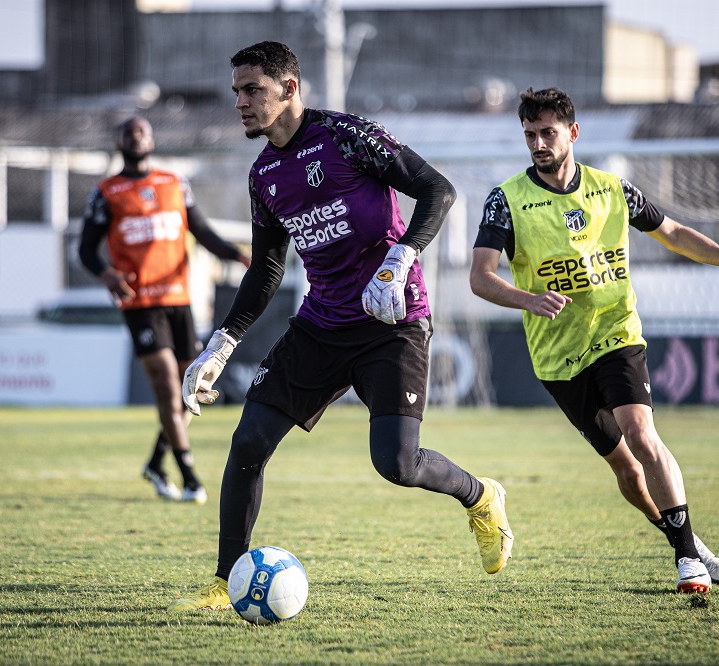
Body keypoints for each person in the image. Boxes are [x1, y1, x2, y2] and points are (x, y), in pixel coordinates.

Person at [171, 41, 513, 611]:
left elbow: (439, 190)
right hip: (321, 326)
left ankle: (482, 498)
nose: (242, 102)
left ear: (290, 88)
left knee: (396, 464)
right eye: (236, 92)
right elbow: (266, 268)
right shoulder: (265, 175)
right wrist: (220, 345)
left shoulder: (346, 136)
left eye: (253, 89)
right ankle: (226, 576)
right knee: (248, 441)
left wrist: (400, 259)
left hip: (392, 323)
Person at [469, 87, 719, 594]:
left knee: (641, 433)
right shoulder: (507, 201)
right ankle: (689, 541)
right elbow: (481, 277)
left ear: (573, 132)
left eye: (548, 133)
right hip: (558, 358)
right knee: (626, 471)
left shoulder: (613, 190)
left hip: (616, 334)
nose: (538, 144)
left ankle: (685, 562)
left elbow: (673, 233)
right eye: (530, 135)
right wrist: (529, 300)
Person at [79, 116, 251, 504]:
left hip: (179, 300)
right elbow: (85, 251)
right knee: (168, 387)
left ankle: (157, 462)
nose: (136, 137)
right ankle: (190, 476)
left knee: (192, 388)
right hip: (140, 304)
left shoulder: (174, 184)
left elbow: (202, 232)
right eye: (129, 132)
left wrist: (239, 256)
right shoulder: (107, 192)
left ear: (152, 140)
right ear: (119, 141)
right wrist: (106, 273)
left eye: (142, 131)